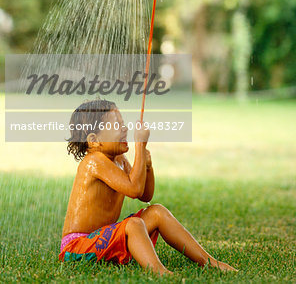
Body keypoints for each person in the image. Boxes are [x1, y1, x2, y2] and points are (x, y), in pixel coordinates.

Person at [59, 99, 237, 275]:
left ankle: (211, 262)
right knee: (134, 224)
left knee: (157, 211)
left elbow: (145, 195)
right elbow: (134, 189)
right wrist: (139, 145)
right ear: (94, 140)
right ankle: (161, 273)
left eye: (123, 123)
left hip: (103, 238)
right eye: (116, 125)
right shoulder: (94, 161)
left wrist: (147, 166)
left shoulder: (119, 160)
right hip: (77, 247)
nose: (125, 129)